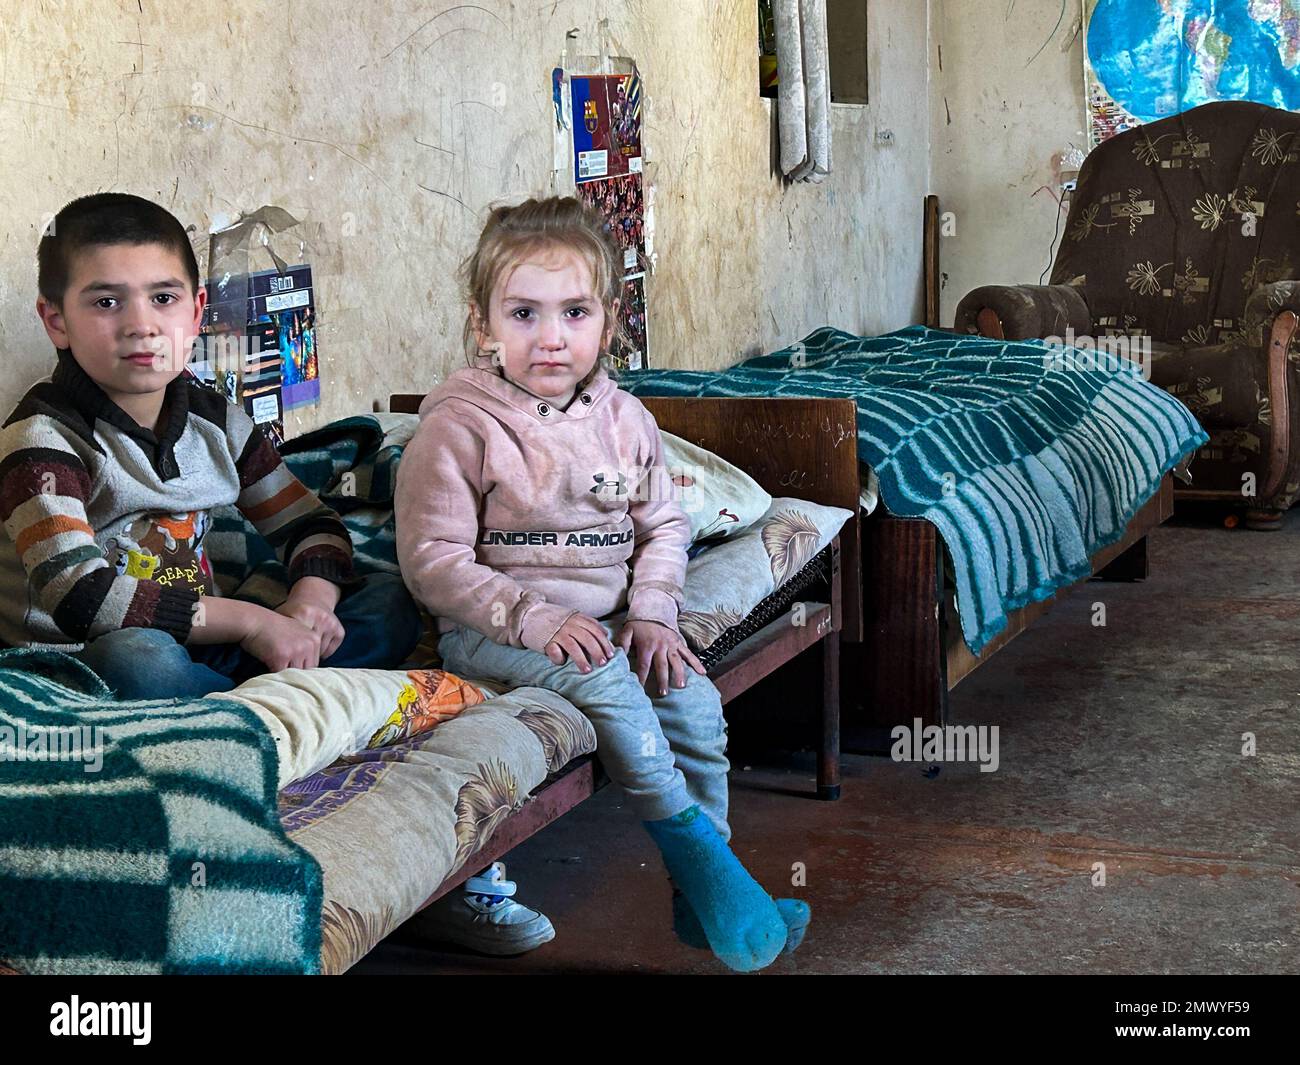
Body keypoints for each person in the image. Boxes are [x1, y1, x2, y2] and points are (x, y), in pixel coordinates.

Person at [394, 196, 808, 971]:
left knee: (690, 697)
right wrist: (532, 617)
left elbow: (664, 527)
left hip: (614, 619)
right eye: (522, 313)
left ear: (609, 319)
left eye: (574, 312)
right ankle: (712, 876)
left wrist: (653, 613)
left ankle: (699, 889)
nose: (551, 337)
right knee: (615, 690)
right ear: (483, 323)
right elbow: (433, 560)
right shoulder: (459, 426)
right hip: (496, 633)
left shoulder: (626, 419)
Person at [0, 193, 422, 697]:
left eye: (163, 298)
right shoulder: (41, 441)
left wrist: (312, 601)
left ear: (197, 311)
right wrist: (252, 624)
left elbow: (310, 523)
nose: (142, 325)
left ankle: (231, 696)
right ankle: (261, 696)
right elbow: (82, 597)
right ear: (56, 321)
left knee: (387, 600)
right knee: (140, 664)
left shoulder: (216, 422)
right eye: (106, 302)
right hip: (84, 657)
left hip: (205, 635)